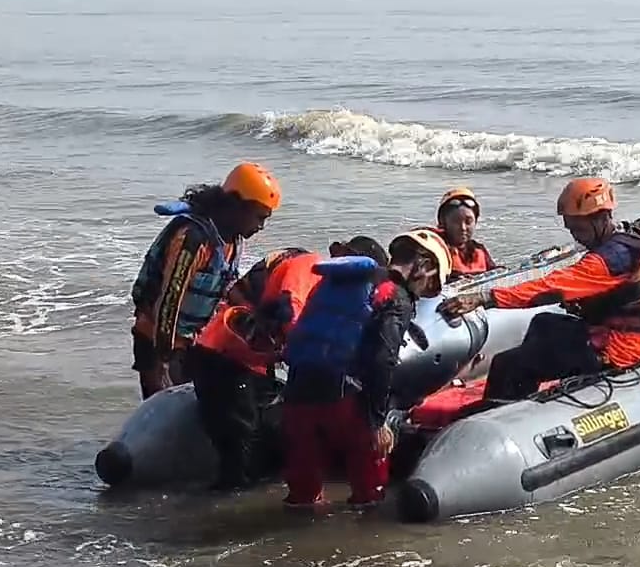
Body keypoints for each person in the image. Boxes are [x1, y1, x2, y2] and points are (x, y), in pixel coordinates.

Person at [438, 177, 640, 401]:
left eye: (578, 229)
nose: (575, 237)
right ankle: (528, 390)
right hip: (631, 338)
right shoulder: (639, 240)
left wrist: (485, 297)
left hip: (615, 351)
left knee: (507, 363)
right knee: (544, 323)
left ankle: (499, 412)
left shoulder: (608, 260)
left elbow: (549, 287)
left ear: (599, 219)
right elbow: (627, 295)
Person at [188, 236, 389, 491]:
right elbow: (290, 308)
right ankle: (227, 502)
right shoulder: (309, 265)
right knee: (240, 443)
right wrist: (308, 358)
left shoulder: (327, 287)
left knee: (263, 436)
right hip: (225, 355)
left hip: (252, 359)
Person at [280, 229, 452, 508]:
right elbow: (383, 360)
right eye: (429, 285)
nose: (423, 294)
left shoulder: (339, 281)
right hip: (344, 398)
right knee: (370, 491)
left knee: (302, 494)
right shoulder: (396, 296)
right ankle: (365, 532)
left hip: (298, 389)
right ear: (425, 266)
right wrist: (378, 423)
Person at [129, 162, 280, 400]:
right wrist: (165, 359)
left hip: (191, 340)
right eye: (259, 217)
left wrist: (257, 319)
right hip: (157, 339)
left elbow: (227, 284)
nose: (261, 226)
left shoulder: (233, 240)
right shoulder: (193, 239)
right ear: (236, 206)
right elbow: (170, 299)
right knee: (164, 403)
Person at [434, 187, 496, 280]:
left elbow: (496, 275)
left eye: (468, 222)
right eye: (456, 222)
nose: (463, 228)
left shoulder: (479, 250)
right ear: (443, 223)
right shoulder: (435, 251)